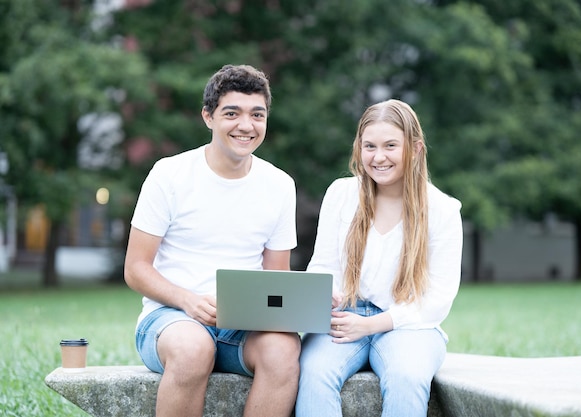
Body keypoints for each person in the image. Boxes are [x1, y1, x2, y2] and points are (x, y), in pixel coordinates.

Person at [124, 64, 300, 417]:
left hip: (242, 327)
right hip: (171, 320)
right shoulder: (169, 175)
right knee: (193, 350)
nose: (246, 125)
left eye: (257, 114)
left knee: (283, 350)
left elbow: (275, 279)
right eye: (231, 113)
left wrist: (301, 305)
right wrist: (187, 301)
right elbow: (135, 269)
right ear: (208, 117)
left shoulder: (280, 185)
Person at [296, 99, 463, 417]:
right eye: (369, 146)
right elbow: (323, 265)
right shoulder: (341, 194)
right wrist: (326, 291)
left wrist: (372, 324)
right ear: (359, 148)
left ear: (414, 149)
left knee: (407, 376)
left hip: (409, 325)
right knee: (314, 373)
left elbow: (437, 300)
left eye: (390, 146)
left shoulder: (442, 210)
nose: (379, 157)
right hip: (346, 317)